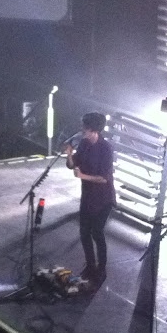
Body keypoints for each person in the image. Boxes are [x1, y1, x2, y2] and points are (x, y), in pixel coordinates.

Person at [65, 112, 115, 284]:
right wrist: (69, 154)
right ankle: (90, 265)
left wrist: (82, 176)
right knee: (84, 232)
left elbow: (104, 178)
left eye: (85, 127)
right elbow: (72, 164)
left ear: (94, 129)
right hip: (87, 196)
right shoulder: (84, 144)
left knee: (97, 232)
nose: (82, 130)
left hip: (103, 198)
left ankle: (101, 269)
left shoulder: (105, 148)